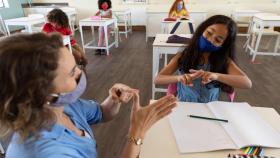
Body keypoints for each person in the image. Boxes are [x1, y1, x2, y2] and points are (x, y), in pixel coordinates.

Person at [0, 33, 177, 158]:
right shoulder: (45, 152)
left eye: (77, 66)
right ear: (40, 92)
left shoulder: (62, 105)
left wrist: (114, 99)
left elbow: (102, 113)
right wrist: (136, 132)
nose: (81, 73)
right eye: (72, 73)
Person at [154, 15, 252, 103]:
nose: (210, 40)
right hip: (184, 104)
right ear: (202, 30)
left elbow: (247, 83)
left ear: (223, 45)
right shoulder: (183, 56)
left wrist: (216, 76)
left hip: (211, 107)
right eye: (209, 33)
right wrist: (180, 78)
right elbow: (158, 79)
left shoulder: (224, 61)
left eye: (218, 40)